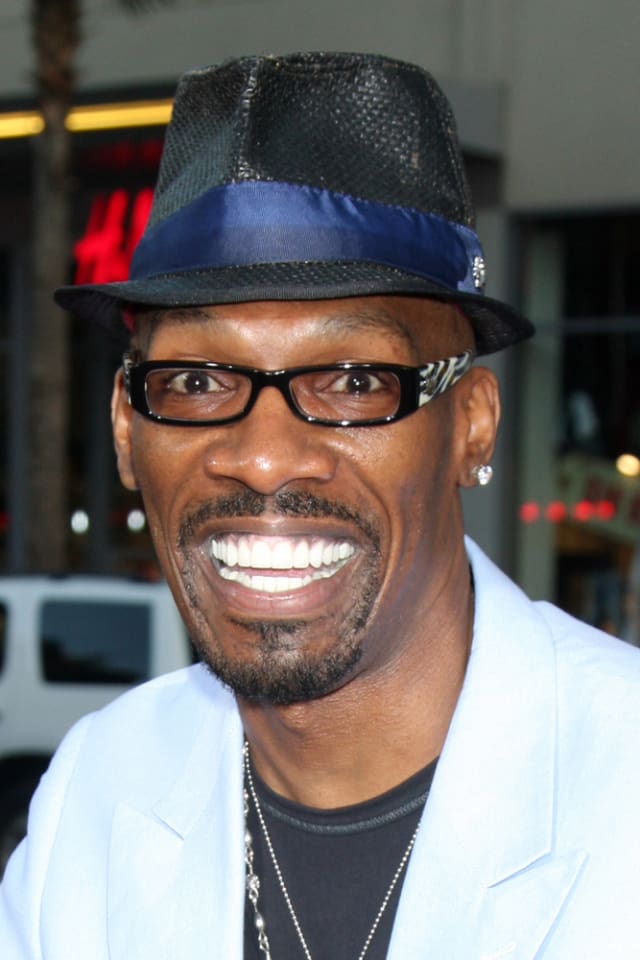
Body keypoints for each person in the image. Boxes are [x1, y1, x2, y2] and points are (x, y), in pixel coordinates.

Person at [2, 52, 639, 960]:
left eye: (352, 380)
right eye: (194, 379)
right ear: (123, 428)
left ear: (472, 426)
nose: (263, 458)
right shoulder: (97, 793)